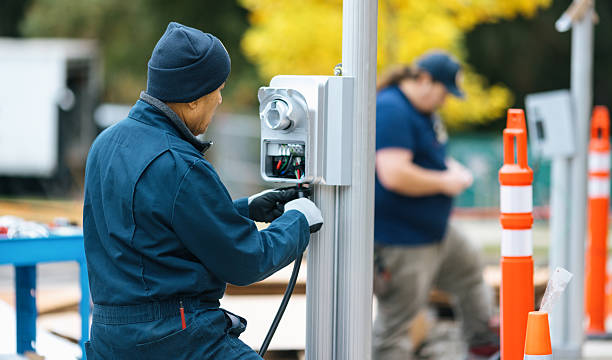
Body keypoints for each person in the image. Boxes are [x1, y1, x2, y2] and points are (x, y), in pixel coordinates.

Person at [82, 21, 323, 359]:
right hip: (174, 337)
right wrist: (298, 220)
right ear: (193, 99)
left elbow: (156, 226)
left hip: (112, 336)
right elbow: (245, 261)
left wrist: (244, 209)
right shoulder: (179, 164)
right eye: (217, 90)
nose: (221, 99)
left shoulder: (107, 143)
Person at [372, 52, 499, 360]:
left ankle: (484, 344)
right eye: (444, 92)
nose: (445, 101)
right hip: (403, 240)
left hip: (433, 231)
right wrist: (445, 181)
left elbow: (429, 158)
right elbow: (393, 172)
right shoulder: (391, 108)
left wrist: (451, 170)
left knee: (469, 267)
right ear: (424, 80)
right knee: (398, 323)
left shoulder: (422, 111)